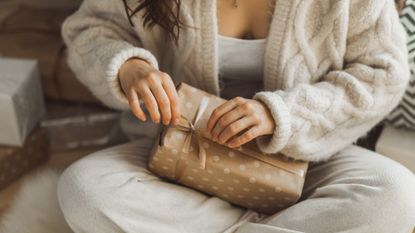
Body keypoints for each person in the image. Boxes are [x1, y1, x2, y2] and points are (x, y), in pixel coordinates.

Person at [57, 0, 415, 232]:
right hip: (175, 158)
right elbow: (91, 30)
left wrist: (282, 114)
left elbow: (382, 74)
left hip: (300, 160)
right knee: (83, 190)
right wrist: (128, 68)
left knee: (395, 193)